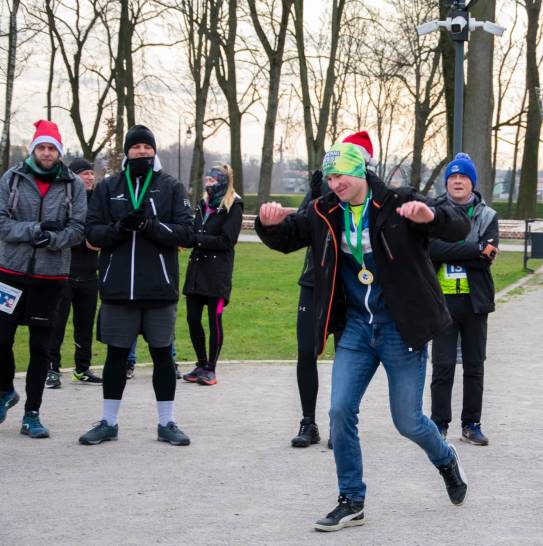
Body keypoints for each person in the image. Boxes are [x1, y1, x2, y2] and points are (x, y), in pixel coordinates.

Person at [256, 141, 471, 532]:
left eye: (340, 176)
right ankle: (351, 499)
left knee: (408, 421)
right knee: (339, 412)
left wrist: (430, 217)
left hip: (400, 328)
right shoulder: (325, 210)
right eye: (329, 178)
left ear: (360, 172)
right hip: (357, 326)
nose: (334, 184)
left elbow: (458, 225)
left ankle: (445, 459)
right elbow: (288, 237)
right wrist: (267, 224)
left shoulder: (398, 203)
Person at [78, 124, 194, 446]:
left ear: (154, 151)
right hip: (118, 290)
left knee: (163, 357)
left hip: (159, 290)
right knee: (116, 357)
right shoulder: (108, 187)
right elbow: (92, 233)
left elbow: (186, 233)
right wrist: (119, 228)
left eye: (147, 147)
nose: (142, 152)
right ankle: (109, 422)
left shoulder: (171, 186)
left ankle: (167, 423)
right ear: (127, 152)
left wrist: (150, 226)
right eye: (136, 147)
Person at [0, 120, 86, 437]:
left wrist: (52, 239)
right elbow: (2, 223)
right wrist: (34, 230)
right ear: (33, 149)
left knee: (41, 347)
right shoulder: (12, 178)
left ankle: (32, 414)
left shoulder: (73, 184)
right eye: (42, 147)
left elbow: (78, 229)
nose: (47, 153)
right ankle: (5, 390)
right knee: (1, 339)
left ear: (59, 152)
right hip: (10, 272)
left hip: (51, 276)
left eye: (52, 148)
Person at [291, 131, 371, 448]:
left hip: (349, 285)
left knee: (346, 356)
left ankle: (341, 425)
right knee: (306, 350)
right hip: (315, 280)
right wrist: (313, 196)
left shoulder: (371, 193)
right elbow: (300, 226)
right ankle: (308, 422)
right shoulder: (325, 187)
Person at [429, 153, 498, 446]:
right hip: (442, 300)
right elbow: (431, 250)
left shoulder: (488, 215)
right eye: (453, 177)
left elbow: (487, 258)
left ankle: (471, 424)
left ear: (472, 182)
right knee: (442, 365)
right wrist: (474, 249)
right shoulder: (433, 211)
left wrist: (454, 250)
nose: (458, 181)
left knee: (474, 365)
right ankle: (438, 425)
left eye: (463, 177)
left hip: (475, 300)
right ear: (447, 182)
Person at [181, 164, 243, 386]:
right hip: (196, 272)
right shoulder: (202, 204)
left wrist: (196, 240)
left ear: (223, 182)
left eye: (212, 181)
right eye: (207, 180)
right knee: (192, 319)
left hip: (217, 275)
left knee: (214, 319)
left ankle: (211, 368)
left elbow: (227, 241)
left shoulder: (234, 205)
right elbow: (194, 230)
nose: (208, 184)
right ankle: (201, 363)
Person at [46, 158, 102, 388]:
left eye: (92, 173)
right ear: (74, 176)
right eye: (84, 173)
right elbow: (62, 234)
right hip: (65, 272)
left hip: (89, 272)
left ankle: (82, 368)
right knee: (57, 323)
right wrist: (83, 238)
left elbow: (100, 235)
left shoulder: (98, 202)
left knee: (85, 324)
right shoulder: (65, 200)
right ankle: (52, 369)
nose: (90, 177)